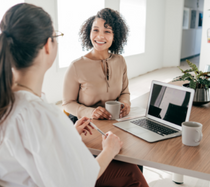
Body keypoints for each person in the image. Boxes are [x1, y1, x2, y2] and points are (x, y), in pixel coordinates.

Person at [0, 3, 148, 187]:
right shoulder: (43, 114)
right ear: (48, 45)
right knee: (131, 173)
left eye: (107, 31)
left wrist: (69, 133)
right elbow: (78, 181)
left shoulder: (11, 102)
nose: (100, 36)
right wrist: (109, 150)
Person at [62, 8, 131, 123]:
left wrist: (125, 104)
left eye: (107, 31)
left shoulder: (120, 61)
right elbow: (67, 104)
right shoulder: (76, 66)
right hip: (85, 123)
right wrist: (90, 112)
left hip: (113, 120)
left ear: (115, 36)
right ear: (89, 32)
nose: (99, 36)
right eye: (95, 30)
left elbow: (124, 92)